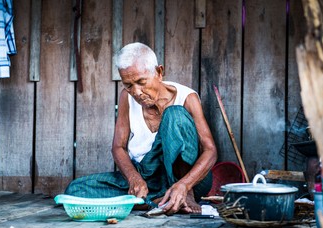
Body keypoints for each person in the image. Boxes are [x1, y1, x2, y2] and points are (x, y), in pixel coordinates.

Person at [65, 42, 217, 215]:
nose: (136, 92)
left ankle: (181, 195)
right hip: (148, 177)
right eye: (128, 85)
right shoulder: (127, 98)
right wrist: (134, 179)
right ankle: (161, 200)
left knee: (174, 114)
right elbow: (118, 147)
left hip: (191, 180)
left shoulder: (186, 97)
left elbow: (210, 150)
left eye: (141, 82)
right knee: (75, 191)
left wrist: (184, 185)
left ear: (159, 72)